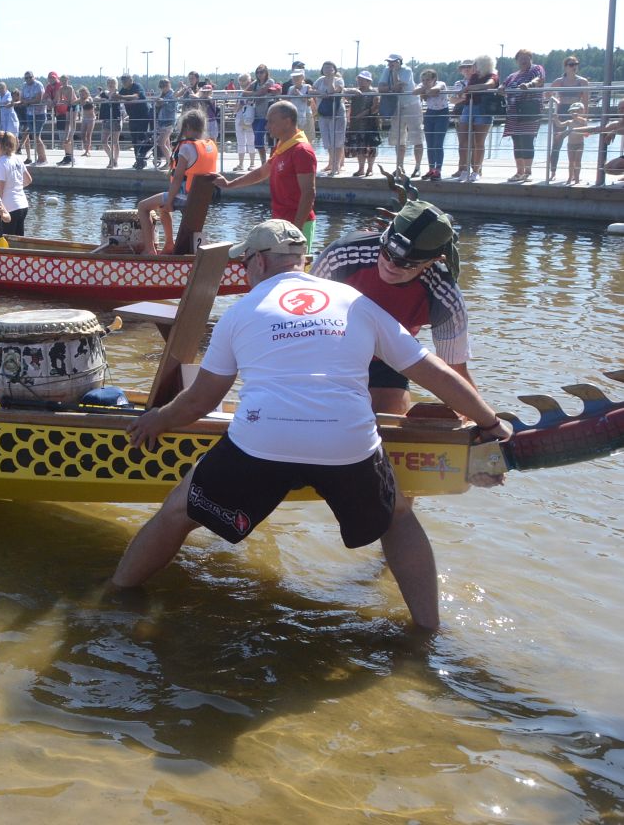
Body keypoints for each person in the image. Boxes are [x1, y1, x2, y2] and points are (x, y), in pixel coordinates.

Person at [108, 218, 513, 630]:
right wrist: (490, 423)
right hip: (347, 444)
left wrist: (156, 419)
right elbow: (434, 371)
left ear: (260, 263)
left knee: (179, 510)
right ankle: (428, 634)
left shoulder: (241, 312)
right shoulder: (355, 301)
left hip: (263, 441)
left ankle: (115, 595)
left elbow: (201, 399)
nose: (244, 272)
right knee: (398, 518)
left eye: (245, 264)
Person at [312, 200, 477, 415]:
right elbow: (297, 323)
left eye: (406, 264)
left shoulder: (445, 297)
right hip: (329, 350)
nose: (390, 265)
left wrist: (482, 423)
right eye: (387, 253)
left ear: (433, 261)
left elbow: (454, 373)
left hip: (387, 359)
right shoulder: (342, 255)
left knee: (388, 418)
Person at [215, 100, 317, 247]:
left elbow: (309, 193)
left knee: (296, 268)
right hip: (280, 223)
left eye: (271, 122)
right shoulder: (282, 146)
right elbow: (261, 173)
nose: (266, 126)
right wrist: (229, 184)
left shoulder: (301, 151)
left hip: (298, 226)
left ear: (287, 122)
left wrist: (297, 229)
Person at [136, 109, 217, 255]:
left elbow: (178, 178)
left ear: (186, 127)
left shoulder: (186, 148)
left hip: (184, 197)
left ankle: (149, 250)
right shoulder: (209, 146)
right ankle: (168, 244)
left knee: (143, 207)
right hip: (201, 199)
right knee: (162, 205)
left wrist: (169, 201)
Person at [501, 48, 547, 183]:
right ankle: (519, 171)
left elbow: (540, 79)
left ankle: (527, 171)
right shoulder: (513, 75)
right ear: (517, 61)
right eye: (521, 59)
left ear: (531, 59)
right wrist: (501, 88)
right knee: (517, 142)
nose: (524, 61)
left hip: (529, 111)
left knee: (527, 140)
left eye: (526, 58)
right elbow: (504, 84)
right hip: (514, 113)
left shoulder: (536, 69)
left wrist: (529, 84)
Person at [545, 57, 590, 182]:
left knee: (577, 142)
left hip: (576, 113)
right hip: (562, 111)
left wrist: (585, 118)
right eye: (571, 64)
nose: (574, 66)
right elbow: (547, 94)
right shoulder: (559, 81)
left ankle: (575, 176)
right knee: (557, 142)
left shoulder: (582, 81)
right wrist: (556, 100)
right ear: (565, 66)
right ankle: (553, 172)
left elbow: (586, 102)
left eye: (576, 64)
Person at [456, 55, 500, 182]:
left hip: (483, 109)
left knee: (478, 142)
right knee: (463, 141)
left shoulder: (493, 76)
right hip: (468, 107)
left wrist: (469, 88)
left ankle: (476, 171)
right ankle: (464, 169)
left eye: (476, 64)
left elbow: (489, 85)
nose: (473, 67)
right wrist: (469, 88)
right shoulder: (474, 77)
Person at [379, 54, 423, 175]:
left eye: (393, 62)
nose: (390, 64)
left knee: (416, 135)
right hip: (396, 106)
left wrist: (393, 74)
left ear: (399, 62)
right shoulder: (386, 70)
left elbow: (399, 87)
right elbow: (380, 88)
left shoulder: (407, 70)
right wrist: (391, 86)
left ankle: (418, 167)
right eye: (388, 62)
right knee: (398, 137)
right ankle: (399, 167)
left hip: (411, 105)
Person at [0, 130, 32, 238]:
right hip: (22, 204)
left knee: (8, 242)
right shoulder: (17, 159)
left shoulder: (0, 164)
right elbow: (28, 180)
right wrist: (14, 186)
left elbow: (0, 191)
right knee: (18, 240)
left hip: (9, 209)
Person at [413, 69, 451, 179]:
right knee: (430, 144)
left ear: (434, 79)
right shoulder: (422, 85)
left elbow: (434, 91)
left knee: (437, 144)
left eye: (428, 79)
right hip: (430, 113)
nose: (425, 82)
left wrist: (424, 89)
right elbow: (414, 92)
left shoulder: (441, 84)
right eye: (423, 80)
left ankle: (438, 170)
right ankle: (431, 169)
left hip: (442, 113)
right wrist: (424, 88)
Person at [312, 62, 348, 176]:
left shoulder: (338, 80)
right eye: (325, 67)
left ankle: (336, 165)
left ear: (334, 69)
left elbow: (334, 91)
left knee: (337, 139)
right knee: (327, 140)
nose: (327, 69)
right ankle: (331, 163)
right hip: (323, 112)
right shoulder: (320, 80)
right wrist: (321, 93)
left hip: (337, 113)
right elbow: (310, 90)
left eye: (330, 67)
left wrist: (331, 79)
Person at [244, 65, 281, 167]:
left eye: (262, 72)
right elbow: (244, 93)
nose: (260, 74)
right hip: (255, 115)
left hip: (267, 115)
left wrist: (254, 94)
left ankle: (270, 162)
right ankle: (264, 163)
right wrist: (255, 94)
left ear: (266, 72)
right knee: (258, 140)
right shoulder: (255, 83)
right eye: (258, 72)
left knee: (266, 139)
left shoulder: (270, 81)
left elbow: (261, 92)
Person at [18, 71, 49, 164]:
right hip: (29, 114)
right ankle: (40, 158)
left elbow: (38, 99)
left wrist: (27, 102)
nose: (28, 79)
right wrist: (29, 101)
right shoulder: (24, 86)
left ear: (33, 77)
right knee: (35, 137)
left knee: (36, 136)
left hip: (39, 113)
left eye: (29, 77)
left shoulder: (38, 85)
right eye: (26, 78)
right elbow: (21, 98)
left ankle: (43, 158)